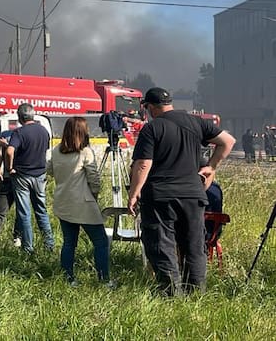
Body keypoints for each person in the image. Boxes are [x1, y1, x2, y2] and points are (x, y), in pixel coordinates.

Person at [128, 87, 235, 295]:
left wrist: (134, 194)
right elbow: (228, 142)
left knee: (162, 244)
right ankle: (195, 294)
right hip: (193, 195)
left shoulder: (152, 128)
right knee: (194, 245)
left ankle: (170, 295)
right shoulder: (196, 122)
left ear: (150, 107)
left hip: (160, 195)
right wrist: (211, 166)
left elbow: (143, 164)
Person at [47, 117, 111, 287]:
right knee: (101, 242)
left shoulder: (56, 150)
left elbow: (50, 170)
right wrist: (95, 194)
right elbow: (94, 179)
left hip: (63, 201)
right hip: (84, 203)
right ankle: (104, 280)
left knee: (69, 243)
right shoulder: (85, 152)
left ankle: (68, 278)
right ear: (83, 132)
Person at [6, 103, 55, 253]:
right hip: (40, 175)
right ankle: (49, 244)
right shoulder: (44, 131)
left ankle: (28, 248)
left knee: (24, 212)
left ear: (20, 117)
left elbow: (9, 151)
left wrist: (10, 168)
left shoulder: (19, 133)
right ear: (33, 115)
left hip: (22, 176)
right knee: (41, 210)